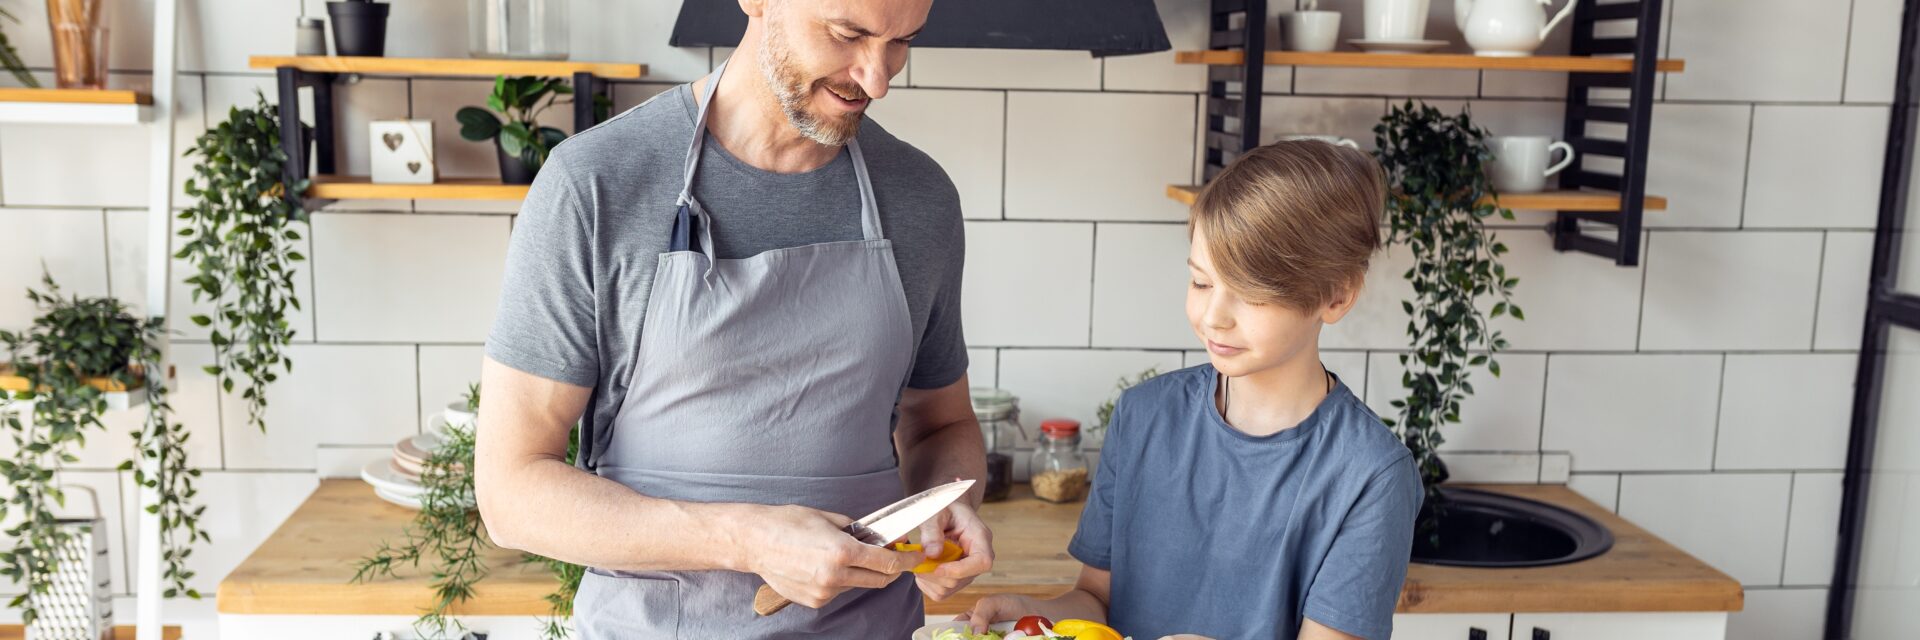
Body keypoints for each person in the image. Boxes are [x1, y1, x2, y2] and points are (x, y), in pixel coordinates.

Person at [470, 0, 993, 637]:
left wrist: (945, 507)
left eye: (902, 43)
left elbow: (941, 423)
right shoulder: (596, 184)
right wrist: (745, 539)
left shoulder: (919, 196)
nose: (876, 79)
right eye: (847, 34)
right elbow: (511, 493)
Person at [962, 141, 1423, 640]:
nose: (1213, 318)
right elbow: (1097, 601)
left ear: (1336, 295)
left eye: (1250, 293)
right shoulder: (1144, 417)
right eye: (1202, 283)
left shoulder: (1372, 475)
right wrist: (1034, 615)